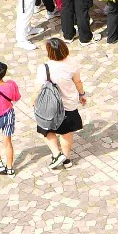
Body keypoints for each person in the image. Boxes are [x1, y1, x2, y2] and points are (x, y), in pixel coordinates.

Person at [36, 37, 86, 169]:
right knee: (66, 133)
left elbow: (37, 88)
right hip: (69, 104)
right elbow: (78, 82)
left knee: (46, 130)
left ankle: (57, 154)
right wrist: (82, 94)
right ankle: (66, 159)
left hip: (50, 106)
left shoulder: (44, 68)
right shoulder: (72, 63)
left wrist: (33, 101)